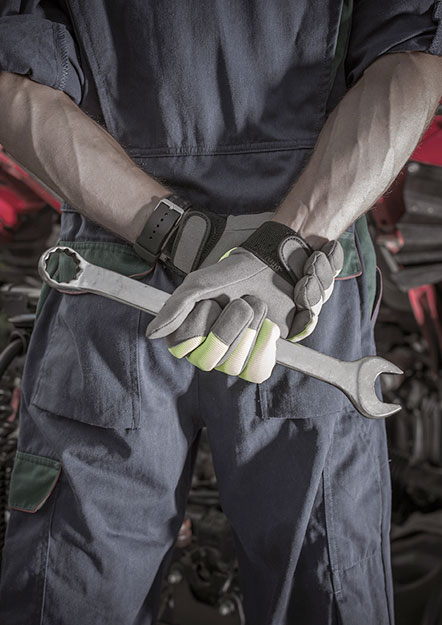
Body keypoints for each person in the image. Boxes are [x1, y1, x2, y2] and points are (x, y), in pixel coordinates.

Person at [0, 2, 441, 624]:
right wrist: (278, 247)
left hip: (118, 262)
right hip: (304, 277)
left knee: (73, 586)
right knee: (325, 582)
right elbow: (414, 63)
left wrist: (180, 235)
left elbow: (16, 86)